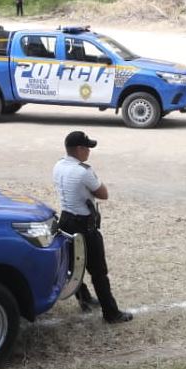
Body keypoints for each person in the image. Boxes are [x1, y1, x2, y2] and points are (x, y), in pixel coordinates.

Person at [53, 131, 133, 324]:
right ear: (79, 149)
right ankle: (111, 313)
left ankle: (84, 299)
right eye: (87, 147)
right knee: (98, 271)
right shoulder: (83, 171)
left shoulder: (58, 166)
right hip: (84, 225)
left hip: (65, 220)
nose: (89, 151)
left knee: (72, 266)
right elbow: (103, 194)